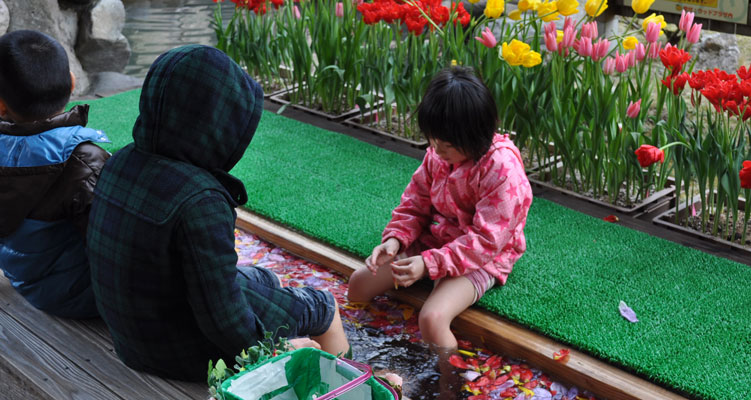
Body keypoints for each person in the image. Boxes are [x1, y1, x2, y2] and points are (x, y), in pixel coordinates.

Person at [85, 45, 349, 381]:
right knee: (322, 306)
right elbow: (225, 324)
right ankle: (345, 383)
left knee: (266, 279)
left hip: (133, 339)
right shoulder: (199, 199)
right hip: (187, 356)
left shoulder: (121, 161)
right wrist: (273, 352)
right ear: (215, 121)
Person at [348, 67, 533, 351]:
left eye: (446, 144)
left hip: (482, 256)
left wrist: (429, 265)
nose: (436, 149)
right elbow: (414, 202)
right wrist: (395, 240)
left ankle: (447, 383)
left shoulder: (502, 170)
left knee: (433, 319)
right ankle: (364, 354)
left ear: (475, 136)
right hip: (437, 240)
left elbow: (485, 242)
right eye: (433, 139)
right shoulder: (438, 154)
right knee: (359, 284)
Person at [0, 30, 109, 319]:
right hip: (79, 295)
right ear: (73, 83)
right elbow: (111, 252)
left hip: (23, 277)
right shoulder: (85, 160)